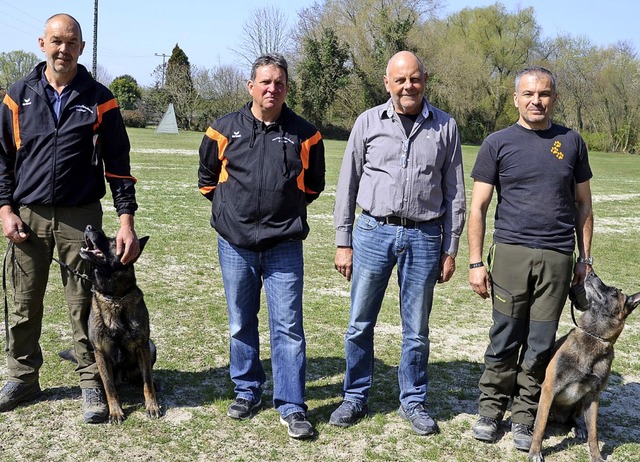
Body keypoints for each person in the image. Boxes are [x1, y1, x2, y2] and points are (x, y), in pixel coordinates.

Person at [0, 14, 141, 423]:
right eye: (56, 41)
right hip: (28, 215)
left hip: (82, 219)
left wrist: (126, 219)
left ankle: (91, 383)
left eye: (72, 42)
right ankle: (22, 377)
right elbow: (3, 159)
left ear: (81, 48)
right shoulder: (16, 95)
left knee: (86, 307)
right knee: (24, 305)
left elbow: (118, 163)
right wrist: (6, 209)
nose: (64, 49)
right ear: (42, 43)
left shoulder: (100, 98)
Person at [330, 51, 466, 435]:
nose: (408, 86)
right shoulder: (368, 122)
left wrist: (450, 248)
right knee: (359, 323)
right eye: (400, 80)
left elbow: (455, 192)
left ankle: (413, 400)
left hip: (424, 236)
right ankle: (354, 395)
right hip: (373, 231)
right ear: (387, 83)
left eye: (415, 79)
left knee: (417, 329)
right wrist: (344, 240)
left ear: (425, 80)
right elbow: (348, 183)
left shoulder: (446, 127)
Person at [197, 53, 325, 439]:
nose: (272, 89)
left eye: (279, 83)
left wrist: (281, 213)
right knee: (240, 322)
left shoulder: (307, 134)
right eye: (265, 82)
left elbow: (313, 186)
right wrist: (231, 213)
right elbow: (206, 180)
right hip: (235, 245)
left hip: (284, 244)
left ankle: (291, 404)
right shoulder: (221, 130)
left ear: (287, 88)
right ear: (250, 86)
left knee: (288, 328)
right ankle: (247, 389)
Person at [468, 66, 593, 451]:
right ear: (516, 98)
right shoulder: (497, 143)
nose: (536, 100)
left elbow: (584, 204)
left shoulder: (572, 142)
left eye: (544, 93)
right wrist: (475, 262)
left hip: (557, 256)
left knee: (540, 343)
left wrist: (584, 259)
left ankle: (525, 417)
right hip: (510, 254)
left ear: (554, 97)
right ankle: (490, 410)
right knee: (504, 337)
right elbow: (479, 207)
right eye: (528, 94)